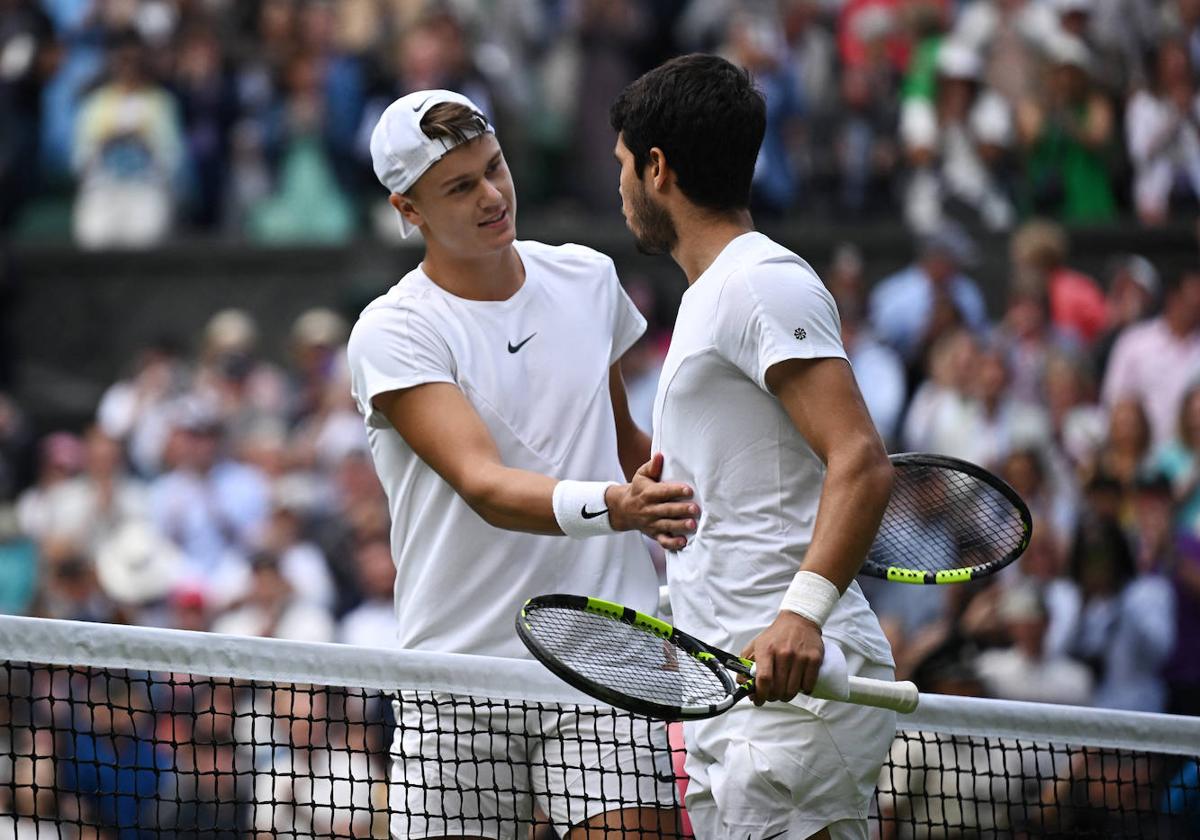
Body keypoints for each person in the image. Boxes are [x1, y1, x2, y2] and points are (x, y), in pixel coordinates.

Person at [346, 89, 692, 838]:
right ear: (409, 211)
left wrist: (676, 508)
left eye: (495, 168)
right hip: (460, 679)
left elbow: (626, 443)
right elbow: (485, 485)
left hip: (610, 660)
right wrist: (617, 506)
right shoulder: (393, 332)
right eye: (460, 187)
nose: (493, 196)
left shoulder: (588, 279)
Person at [610, 54, 896, 840]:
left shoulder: (759, 281)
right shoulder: (712, 299)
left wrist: (801, 615)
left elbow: (861, 462)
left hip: (797, 693)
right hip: (734, 698)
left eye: (625, 167)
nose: (622, 187)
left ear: (659, 169)